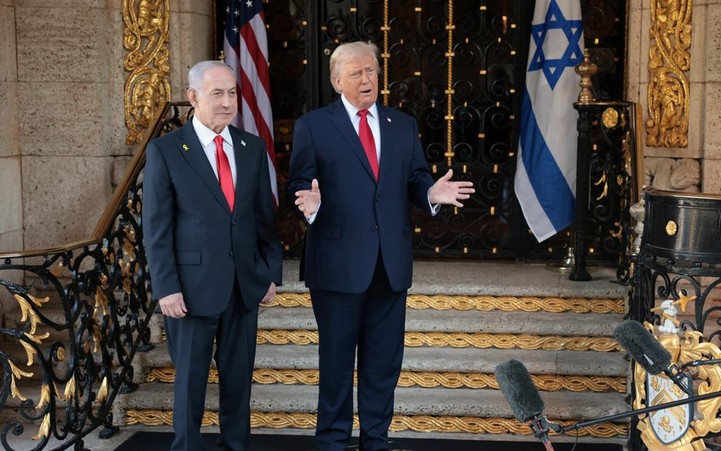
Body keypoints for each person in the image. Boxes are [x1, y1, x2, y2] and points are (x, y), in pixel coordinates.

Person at [287, 41, 474, 451]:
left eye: (371, 71)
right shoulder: (314, 126)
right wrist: (310, 203)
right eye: (356, 73)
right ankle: (332, 442)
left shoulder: (401, 125)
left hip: (389, 265)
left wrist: (431, 194)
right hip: (336, 266)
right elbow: (299, 182)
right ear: (337, 81)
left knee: (383, 365)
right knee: (337, 364)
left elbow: (416, 178)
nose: (366, 79)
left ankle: (376, 441)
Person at [143, 60, 283, 451]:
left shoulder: (251, 147)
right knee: (190, 383)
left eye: (232, 93)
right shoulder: (166, 150)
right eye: (217, 93)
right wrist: (166, 287)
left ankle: (235, 446)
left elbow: (263, 219)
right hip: (190, 291)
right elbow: (156, 228)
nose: (227, 102)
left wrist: (269, 272)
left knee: (238, 382)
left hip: (244, 287)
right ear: (193, 97)